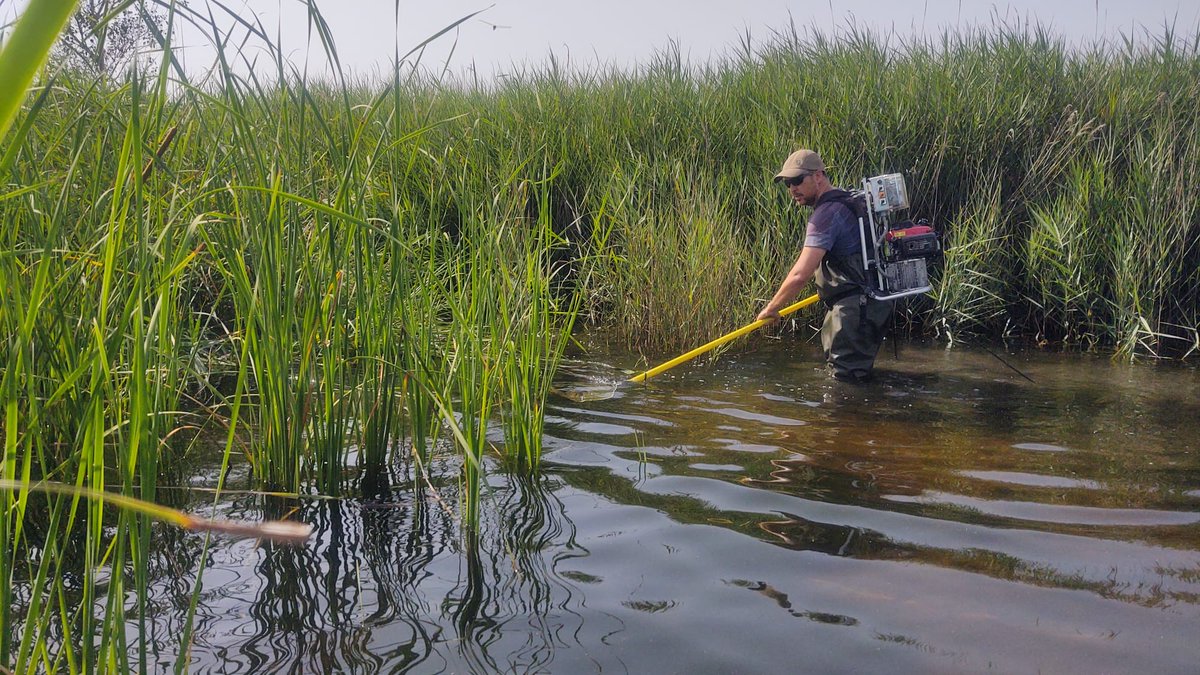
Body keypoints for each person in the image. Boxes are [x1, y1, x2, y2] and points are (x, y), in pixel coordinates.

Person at [756, 149, 894, 382]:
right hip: (871, 304)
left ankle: (844, 419)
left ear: (818, 176)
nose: (792, 189)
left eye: (798, 181)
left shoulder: (826, 215)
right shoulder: (848, 200)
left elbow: (800, 274)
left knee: (844, 384)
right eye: (788, 184)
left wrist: (772, 307)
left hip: (853, 311)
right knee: (855, 375)